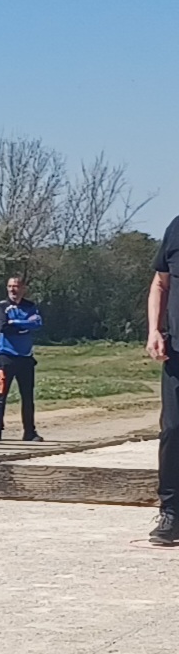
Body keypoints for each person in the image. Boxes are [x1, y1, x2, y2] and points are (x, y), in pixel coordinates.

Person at [147, 218, 179, 545]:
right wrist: (154, 330)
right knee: (172, 430)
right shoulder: (176, 229)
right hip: (177, 352)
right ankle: (171, 511)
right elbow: (160, 282)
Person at [0, 276, 44, 441]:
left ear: (23, 288)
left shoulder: (30, 306)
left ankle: (29, 432)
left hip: (25, 358)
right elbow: (3, 327)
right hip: (5, 357)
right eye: (10, 286)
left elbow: (37, 324)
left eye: (16, 286)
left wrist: (15, 322)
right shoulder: (2, 306)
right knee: (0, 395)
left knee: (27, 397)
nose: (12, 290)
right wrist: (24, 325)